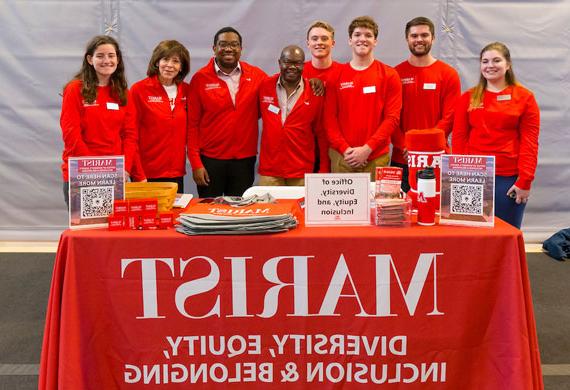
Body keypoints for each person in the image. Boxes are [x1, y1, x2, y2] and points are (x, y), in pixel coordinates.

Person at [452, 42, 540, 229]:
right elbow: (459, 138)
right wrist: (459, 176)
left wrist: (525, 181)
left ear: (508, 64)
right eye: (485, 61)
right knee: (471, 238)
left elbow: (530, 143)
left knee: (505, 235)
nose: (490, 65)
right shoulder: (468, 97)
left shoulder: (525, 97)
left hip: (508, 179)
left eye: (496, 60)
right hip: (472, 176)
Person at [187, 27, 267, 197]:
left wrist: (309, 81)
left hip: (244, 161)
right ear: (214, 48)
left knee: (239, 215)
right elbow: (192, 125)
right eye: (223, 44)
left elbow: (280, 86)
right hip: (210, 161)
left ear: (240, 49)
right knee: (209, 216)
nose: (229, 49)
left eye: (234, 45)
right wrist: (196, 164)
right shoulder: (200, 79)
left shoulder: (257, 76)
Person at [60, 35, 139, 205]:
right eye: (100, 56)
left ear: (118, 59)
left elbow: (130, 135)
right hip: (82, 173)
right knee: (89, 230)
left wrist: (124, 169)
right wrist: (95, 170)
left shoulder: (123, 93)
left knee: (114, 229)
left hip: (116, 174)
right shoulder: (75, 89)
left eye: (111, 55)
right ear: (90, 59)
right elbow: (71, 135)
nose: (106, 61)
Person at [324, 16, 402, 180]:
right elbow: (329, 119)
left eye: (368, 35)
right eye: (357, 35)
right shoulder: (335, 76)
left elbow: (392, 118)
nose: (362, 39)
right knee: (342, 206)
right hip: (342, 157)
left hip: (376, 157)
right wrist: (345, 149)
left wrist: (367, 149)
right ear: (350, 40)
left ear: (375, 41)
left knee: (374, 205)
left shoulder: (389, 75)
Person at [391, 16, 461, 192]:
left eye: (424, 35)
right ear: (407, 39)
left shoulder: (448, 74)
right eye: (414, 36)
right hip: (403, 158)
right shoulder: (395, 74)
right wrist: (406, 146)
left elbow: (450, 117)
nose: (419, 39)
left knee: (436, 215)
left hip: (437, 158)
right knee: (402, 216)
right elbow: (390, 118)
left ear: (433, 38)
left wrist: (425, 146)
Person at [258, 45, 327, 186]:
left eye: (297, 63)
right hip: (270, 172)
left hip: (301, 171)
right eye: (288, 62)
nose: (292, 67)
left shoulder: (314, 93)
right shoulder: (265, 86)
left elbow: (321, 133)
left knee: (299, 208)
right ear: (279, 63)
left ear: (303, 64)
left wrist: (323, 168)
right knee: (271, 208)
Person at [130, 40, 190, 193]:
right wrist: (138, 173)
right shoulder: (139, 90)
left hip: (175, 173)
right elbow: (130, 135)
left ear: (182, 67)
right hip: (145, 173)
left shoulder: (187, 91)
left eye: (176, 61)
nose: (170, 65)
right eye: (165, 59)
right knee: (147, 216)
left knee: (173, 216)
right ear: (157, 62)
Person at [303, 20, 341, 173]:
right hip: (305, 145)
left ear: (333, 43)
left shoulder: (343, 71)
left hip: (336, 146)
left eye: (324, 39)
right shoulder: (297, 72)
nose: (319, 42)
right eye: (315, 39)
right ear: (308, 43)